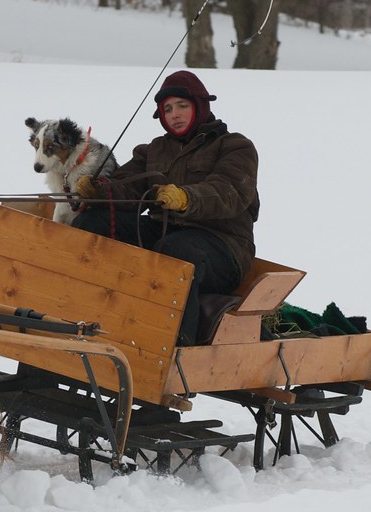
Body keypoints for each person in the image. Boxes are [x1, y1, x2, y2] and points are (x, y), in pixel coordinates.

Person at [72, 70, 259, 346]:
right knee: (91, 223)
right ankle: (85, 313)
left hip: (223, 247)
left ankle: (176, 344)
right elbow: (128, 188)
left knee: (176, 252)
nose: (175, 114)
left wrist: (186, 198)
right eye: (167, 109)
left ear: (200, 105)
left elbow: (228, 192)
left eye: (182, 106)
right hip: (165, 233)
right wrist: (99, 190)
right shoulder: (154, 150)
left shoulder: (235, 147)